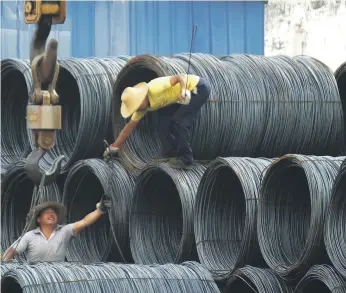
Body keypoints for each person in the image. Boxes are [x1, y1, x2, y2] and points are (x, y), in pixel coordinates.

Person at [104, 74, 211, 169]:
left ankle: (186, 159)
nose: (137, 109)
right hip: (178, 98)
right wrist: (114, 146)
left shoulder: (154, 87)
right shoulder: (142, 108)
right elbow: (129, 127)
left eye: (137, 105)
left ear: (142, 98)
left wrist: (183, 90)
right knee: (163, 121)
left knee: (179, 122)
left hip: (198, 88)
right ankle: (169, 152)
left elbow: (180, 77)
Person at [2, 200, 109, 262]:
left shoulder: (65, 230)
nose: (51, 214)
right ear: (38, 219)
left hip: (57, 279)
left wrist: (100, 210)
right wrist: (5, 263)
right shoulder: (29, 236)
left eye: (54, 213)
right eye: (47, 213)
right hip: (35, 279)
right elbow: (12, 250)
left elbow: (85, 222)